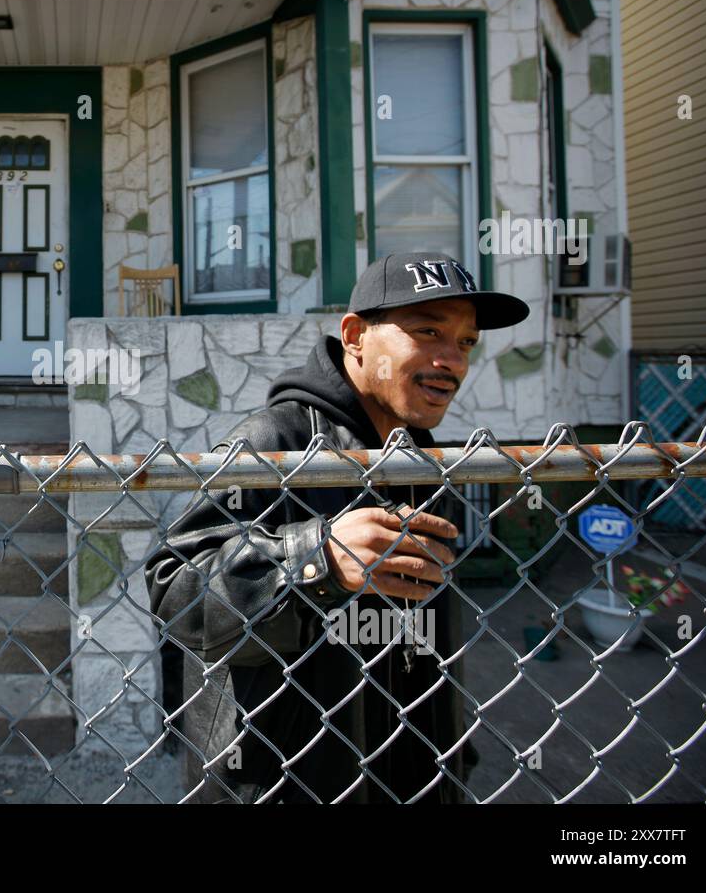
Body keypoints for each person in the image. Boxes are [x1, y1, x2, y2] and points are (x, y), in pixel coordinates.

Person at [145, 252, 530, 803]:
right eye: (427, 332)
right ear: (354, 336)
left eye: (466, 342)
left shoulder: (425, 462)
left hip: (409, 775)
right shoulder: (273, 441)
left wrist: (451, 756)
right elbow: (172, 590)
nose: (452, 361)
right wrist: (313, 559)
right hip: (288, 782)